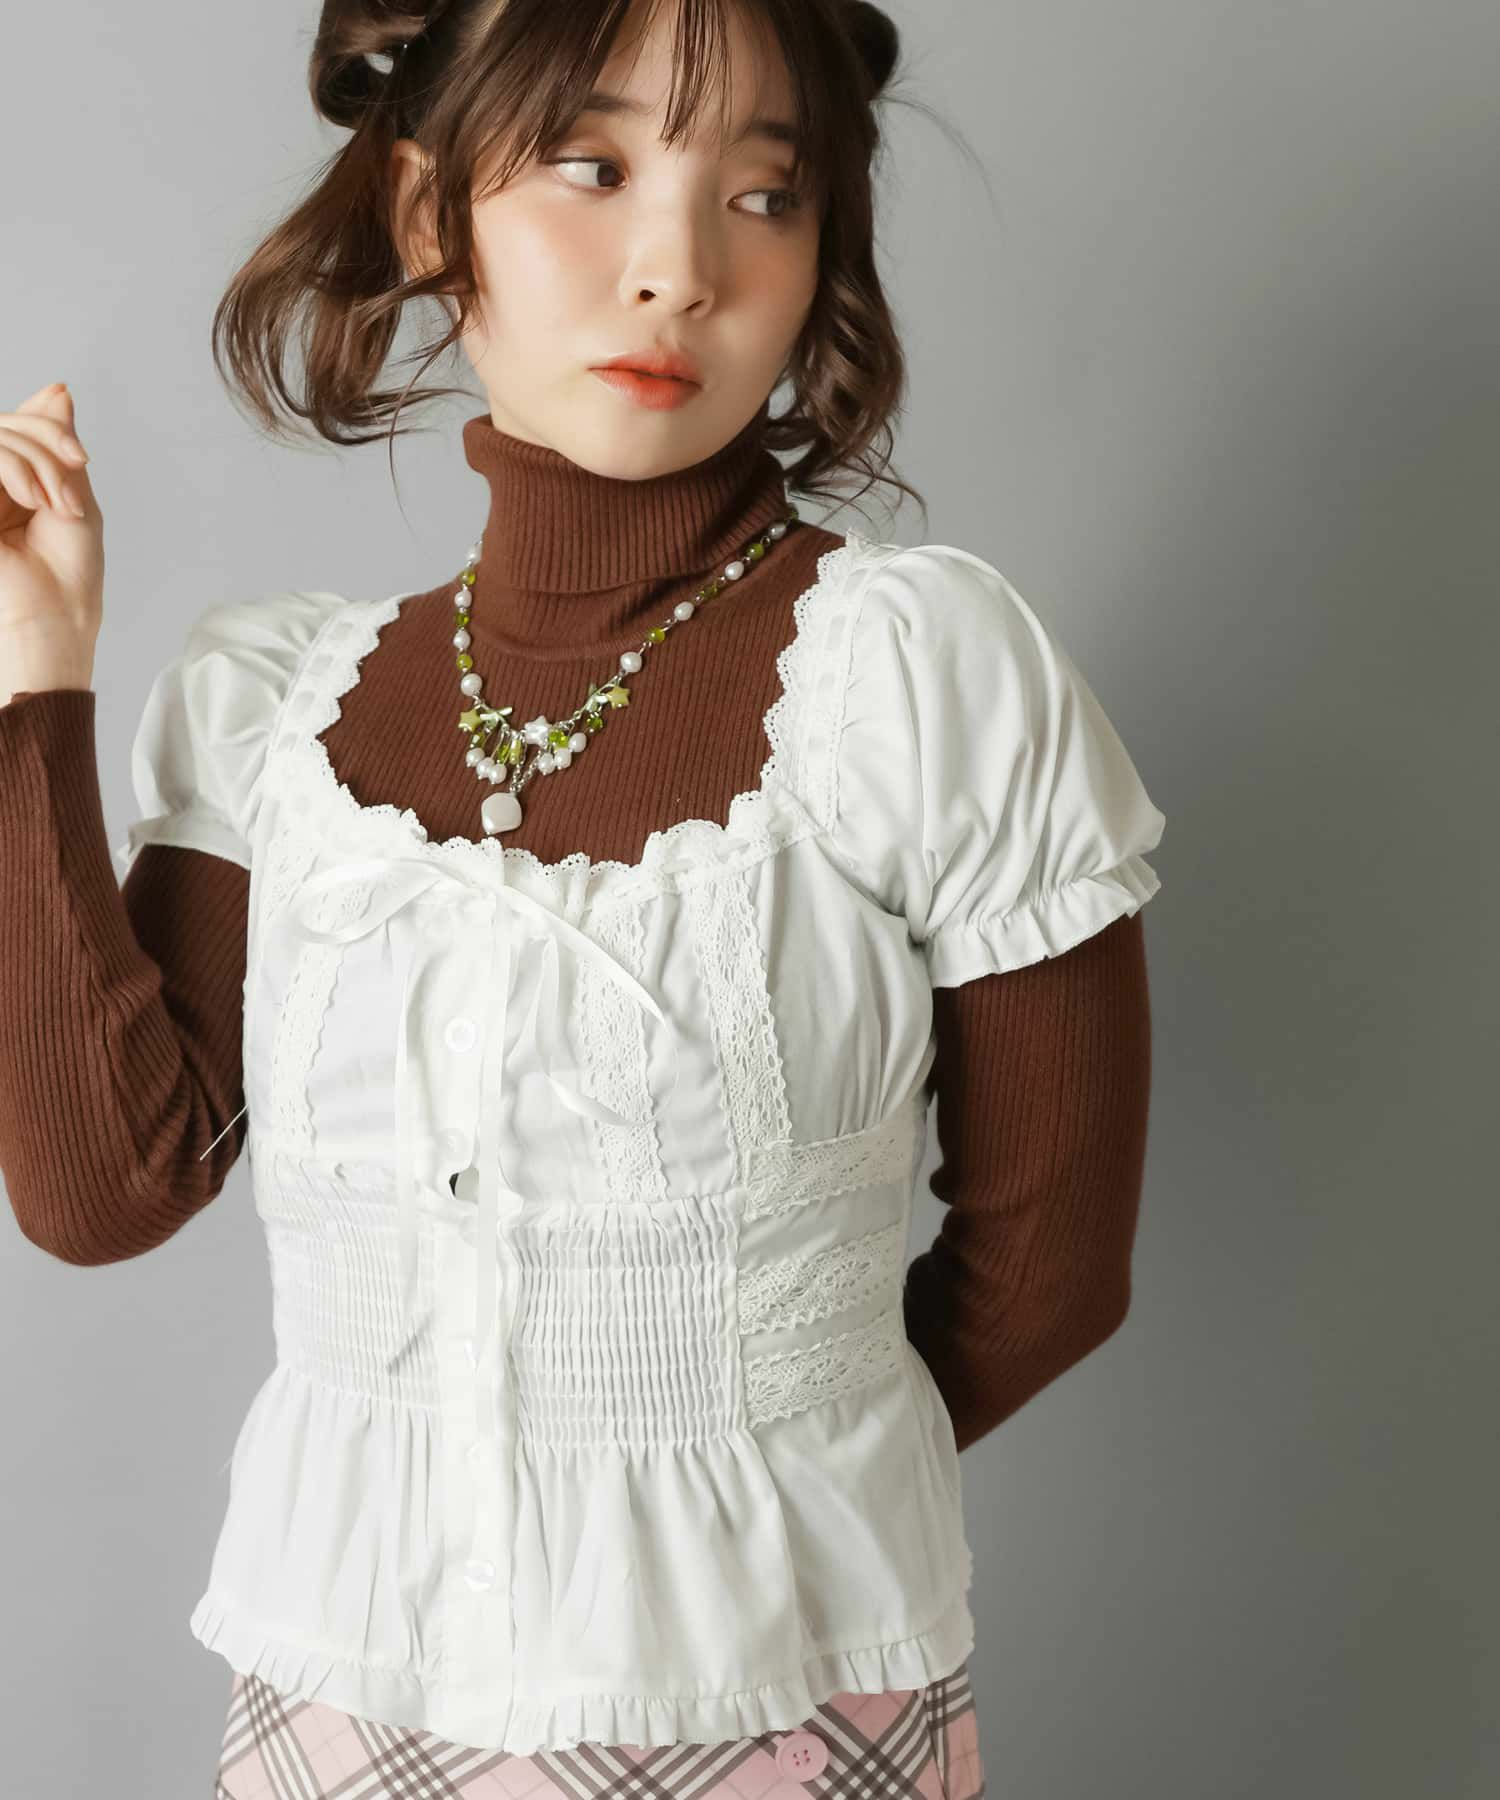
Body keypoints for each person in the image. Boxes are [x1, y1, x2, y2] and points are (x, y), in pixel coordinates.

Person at [0, 0, 1165, 1794]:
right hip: (342, 1702)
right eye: (590, 167)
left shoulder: (920, 678)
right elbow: (100, 1191)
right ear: (425, 211)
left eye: (764, 195)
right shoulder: (278, 710)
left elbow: (1051, 1272)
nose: (679, 268)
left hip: (776, 1698)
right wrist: (34, 688)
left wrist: (764, 1499)